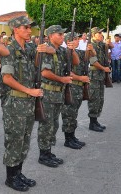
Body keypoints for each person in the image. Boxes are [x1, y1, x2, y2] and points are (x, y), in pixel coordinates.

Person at [0, 16, 53, 192]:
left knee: (24, 140)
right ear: (16, 30)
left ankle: (18, 173)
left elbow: (37, 64)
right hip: (15, 103)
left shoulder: (29, 47)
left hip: (28, 102)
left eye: (30, 28)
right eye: (26, 28)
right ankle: (10, 177)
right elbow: (7, 78)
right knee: (14, 140)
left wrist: (41, 51)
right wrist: (29, 91)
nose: (30, 31)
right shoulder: (9, 50)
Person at [38, 25, 79, 168]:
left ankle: (48, 152)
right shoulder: (46, 49)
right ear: (50, 36)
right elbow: (44, 72)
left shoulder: (61, 50)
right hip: (48, 93)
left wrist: (72, 50)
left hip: (58, 93)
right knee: (46, 125)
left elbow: (76, 62)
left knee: (54, 124)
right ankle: (43, 154)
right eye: (59, 34)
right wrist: (62, 79)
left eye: (63, 34)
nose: (63, 37)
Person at [61, 32, 90, 149]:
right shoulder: (65, 53)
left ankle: (72, 136)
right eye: (76, 39)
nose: (78, 40)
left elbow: (88, 57)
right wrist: (80, 78)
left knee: (74, 114)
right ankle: (68, 139)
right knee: (69, 114)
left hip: (78, 87)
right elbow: (67, 72)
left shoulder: (77, 52)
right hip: (71, 87)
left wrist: (90, 49)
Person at [88, 27, 112, 132]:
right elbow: (93, 61)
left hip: (100, 75)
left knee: (100, 98)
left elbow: (111, 46)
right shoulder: (91, 46)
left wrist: (108, 43)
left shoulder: (100, 44)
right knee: (94, 98)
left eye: (101, 32)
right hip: (94, 75)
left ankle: (95, 120)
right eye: (99, 33)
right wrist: (104, 68)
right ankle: (92, 123)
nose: (101, 34)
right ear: (93, 35)